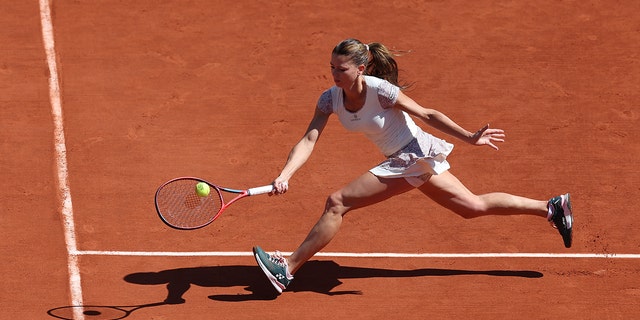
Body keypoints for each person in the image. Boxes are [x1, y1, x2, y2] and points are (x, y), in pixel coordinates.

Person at [252, 38, 573, 294]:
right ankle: (551, 207)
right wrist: (285, 174)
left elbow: (427, 114)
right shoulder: (329, 99)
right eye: (332, 68)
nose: (335, 75)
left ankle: (287, 269)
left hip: (412, 155)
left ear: (361, 68)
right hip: (409, 158)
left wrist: (469, 138)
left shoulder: (382, 92)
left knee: (337, 203)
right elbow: (308, 140)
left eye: (342, 69)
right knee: (471, 206)